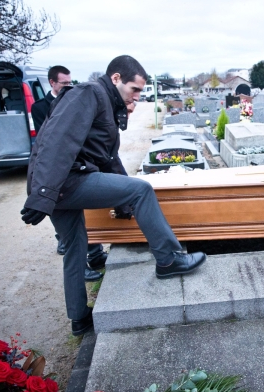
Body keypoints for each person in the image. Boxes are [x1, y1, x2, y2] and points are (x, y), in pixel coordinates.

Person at [21, 55, 206, 336]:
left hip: (60, 183)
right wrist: (43, 193)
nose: (138, 96)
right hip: (66, 180)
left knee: (74, 248)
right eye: (135, 89)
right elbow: (56, 140)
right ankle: (168, 259)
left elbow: (107, 158)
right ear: (116, 78)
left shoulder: (106, 102)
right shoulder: (89, 93)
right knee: (141, 189)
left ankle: (79, 318)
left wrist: (120, 199)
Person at [31, 65, 106, 283]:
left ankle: (96, 253)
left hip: (79, 164)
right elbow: (50, 141)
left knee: (88, 214)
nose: (68, 85)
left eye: (70, 81)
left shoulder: (77, 101)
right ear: (52, 83)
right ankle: (78, 263)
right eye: (64, 83)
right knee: (69, 223)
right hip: (59, 168)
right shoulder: (39, 107)